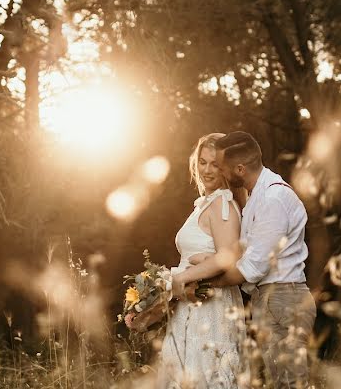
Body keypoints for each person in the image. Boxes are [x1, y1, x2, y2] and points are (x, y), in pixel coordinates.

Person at [191, 131, 316, 389]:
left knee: (290, 384)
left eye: (223, 168)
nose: (221, 174)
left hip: (283, 300)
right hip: (273, 299)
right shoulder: (256, 196)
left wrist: (205, 284)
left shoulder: (272, 199)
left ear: (240, 168)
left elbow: (251, 269)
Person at [133, 133, 245, 388]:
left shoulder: (223, 205)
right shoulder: (205, 204)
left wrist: (179, 278)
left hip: (209, 309)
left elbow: (226, 256)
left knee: (204, 374)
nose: (207, 170)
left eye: (215, 164)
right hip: (191, 305)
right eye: (202, 162)